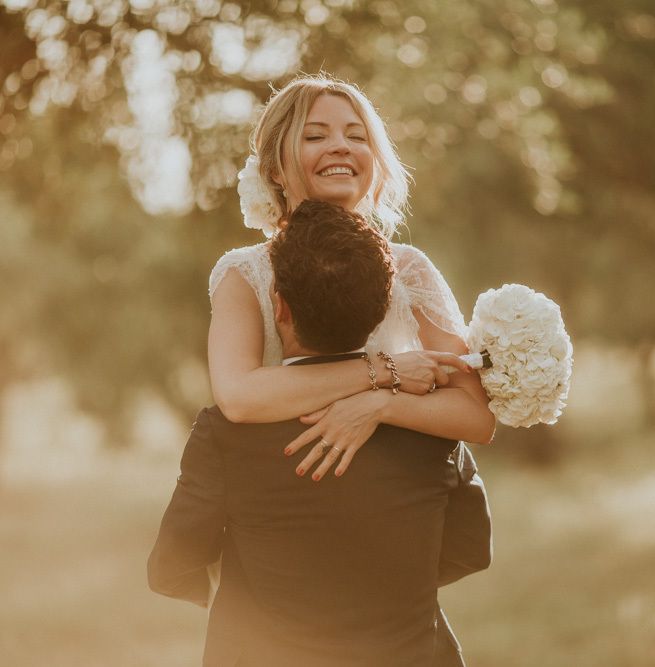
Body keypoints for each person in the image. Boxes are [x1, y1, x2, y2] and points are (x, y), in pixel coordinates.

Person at [148, 200, 471, 666]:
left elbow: (172, 566)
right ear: (382, 312)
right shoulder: (429, 426)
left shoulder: (224, 434)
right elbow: (469, 548)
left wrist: (231, 598)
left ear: (277, 306)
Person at [208, 74, 495, 482]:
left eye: (357, 136)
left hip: (400, 494)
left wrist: (380, 406)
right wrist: (384, 371)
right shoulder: (243, 274)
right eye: (315, 136)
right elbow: (239, 398)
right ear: (273, 170)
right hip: (285, 497)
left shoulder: (410, 268)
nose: (341, 146)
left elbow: (476, 418)